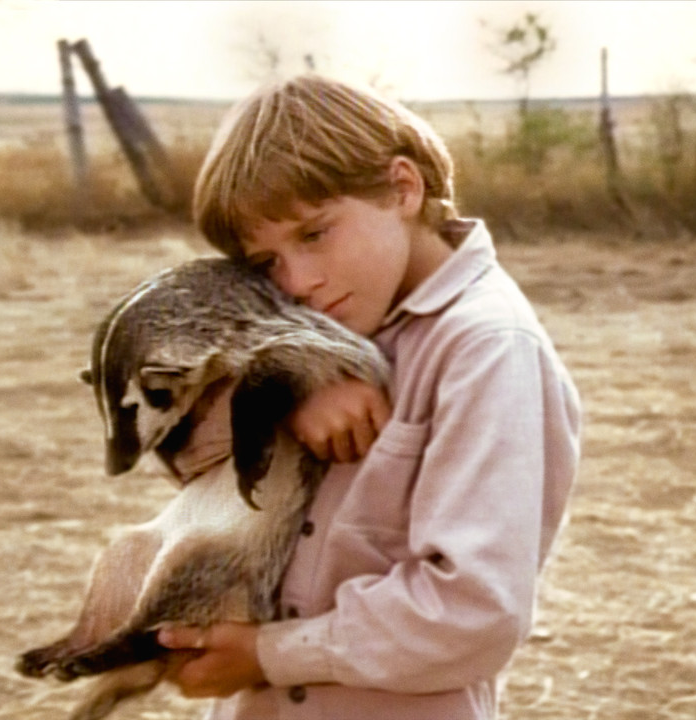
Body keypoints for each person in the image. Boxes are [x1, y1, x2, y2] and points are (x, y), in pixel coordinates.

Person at [155, 74, 582, 719]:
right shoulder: (309, 326)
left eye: (314, 234)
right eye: (265, 261)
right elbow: (174, 448)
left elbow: (473, 610)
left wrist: (269, 654)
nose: (296, 281)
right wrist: (283, 391)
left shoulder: (487, 348)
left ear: (403, 189)